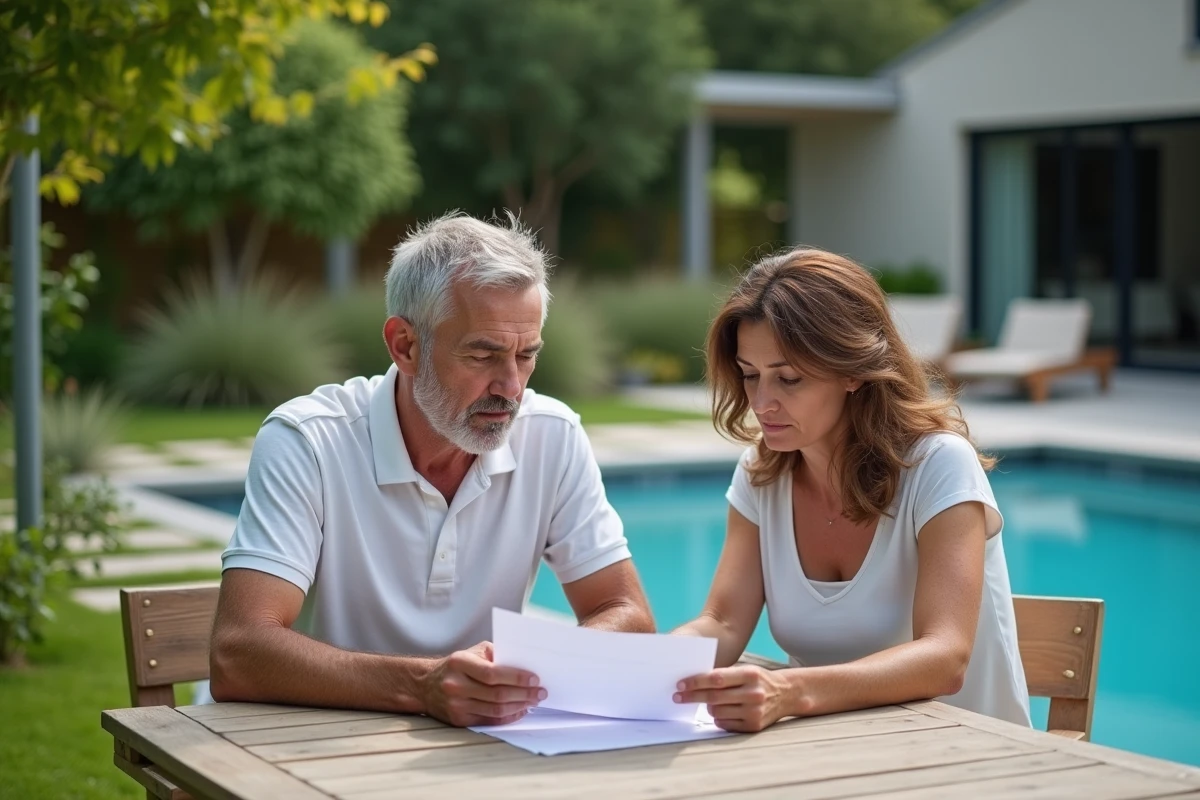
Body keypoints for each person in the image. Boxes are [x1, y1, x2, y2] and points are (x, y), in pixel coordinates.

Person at [208, 212, 654, 727]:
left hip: (472, 748)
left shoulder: (553, 435)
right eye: (482, 355)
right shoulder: (308, 441)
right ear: (405, 346)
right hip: (305, 744)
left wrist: (525, 674)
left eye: (527, 354)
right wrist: (424, 684)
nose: (511, 386)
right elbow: (238, 653)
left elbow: (628, 614)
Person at [672, 247, 1030, 732]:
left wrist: (790, 691)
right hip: (836, 755)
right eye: (750, 375)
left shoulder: (939, 466)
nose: (761, 402)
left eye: (789, 378)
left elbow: (945, 657)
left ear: (854, 370)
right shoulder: (762, 474)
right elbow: (724, 623)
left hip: (972, 760)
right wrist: (645, 667)